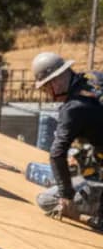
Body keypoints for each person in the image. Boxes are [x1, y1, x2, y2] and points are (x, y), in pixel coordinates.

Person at [32, 51, 103, 224]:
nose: (47, 93)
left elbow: (56, 154)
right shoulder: (94, 77)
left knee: (46, 199)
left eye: (45, 88)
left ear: (54, 84)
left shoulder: (72, 109)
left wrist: (66, 195)